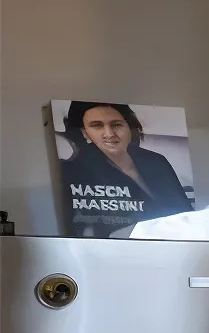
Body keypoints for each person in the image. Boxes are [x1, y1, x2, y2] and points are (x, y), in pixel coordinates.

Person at [58, 101, 195, 235]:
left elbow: (186, 215)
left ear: (129, 127)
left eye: (116, 125)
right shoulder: (73, 171)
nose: (110, 134)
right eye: (97, 126)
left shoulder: (156, 161)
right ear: (84, 133)